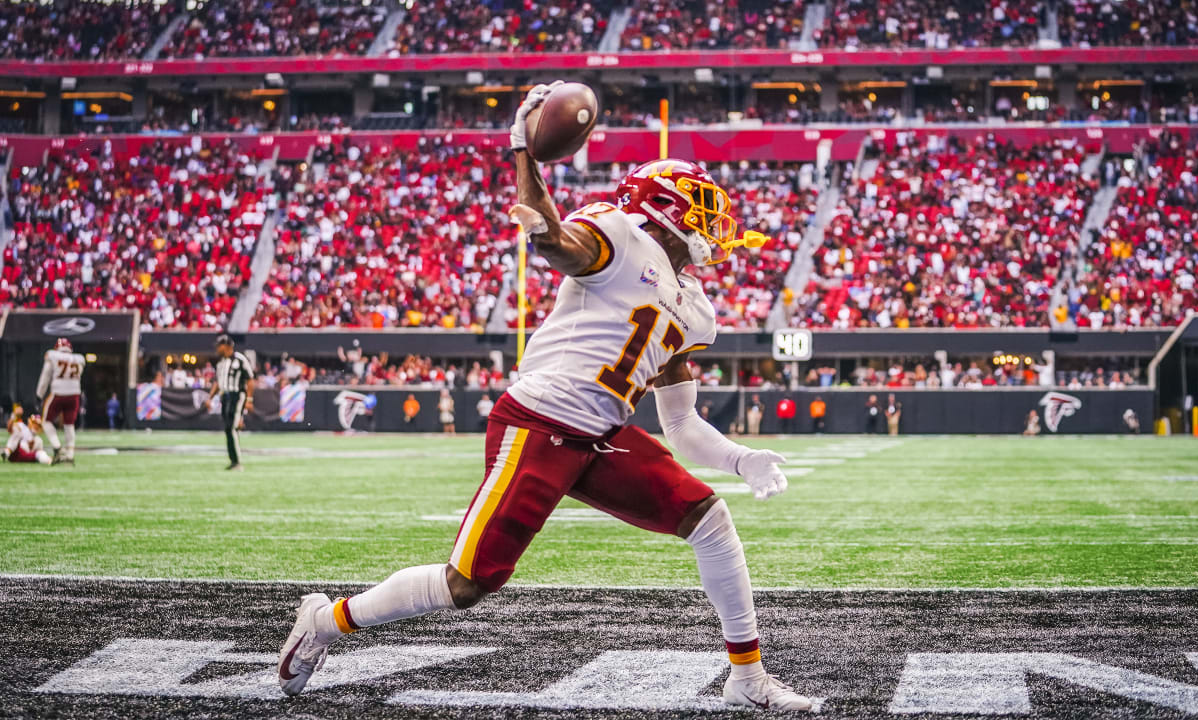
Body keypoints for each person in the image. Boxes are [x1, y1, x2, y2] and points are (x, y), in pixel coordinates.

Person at [276, 82, 812, 712]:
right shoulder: (617, 236)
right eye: (700, 206)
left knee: (711, 522)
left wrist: (739, 459)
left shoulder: (695, 309)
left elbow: (683, 424)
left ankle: (747, 679)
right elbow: (552, 240)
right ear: (663, 206)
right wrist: (522, 151)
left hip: (602, 437)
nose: (712, 223)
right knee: (466, 584)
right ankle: (327, 620)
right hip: (539, 422)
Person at [206, 335, 255, 471]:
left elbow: (250, 380)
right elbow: (217, 382)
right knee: (228, 428)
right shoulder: (221, 363)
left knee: (231, 428)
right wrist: (210, 398)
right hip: (225, 396)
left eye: (219, 345)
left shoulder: (239, 359)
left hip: (237, 395)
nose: (217, 348)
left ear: (227, 346)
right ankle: (233, 460)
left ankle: (237, 461)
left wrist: (249, 400)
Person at [36, 338, 84, 464]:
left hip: (58, 393)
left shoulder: (53, 355)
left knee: (46, 421)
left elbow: (45, 377)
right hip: (75, 394)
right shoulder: (79, 359)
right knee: (69, 424)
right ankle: (70, 453)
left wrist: (39, 395)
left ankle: (57, 449)